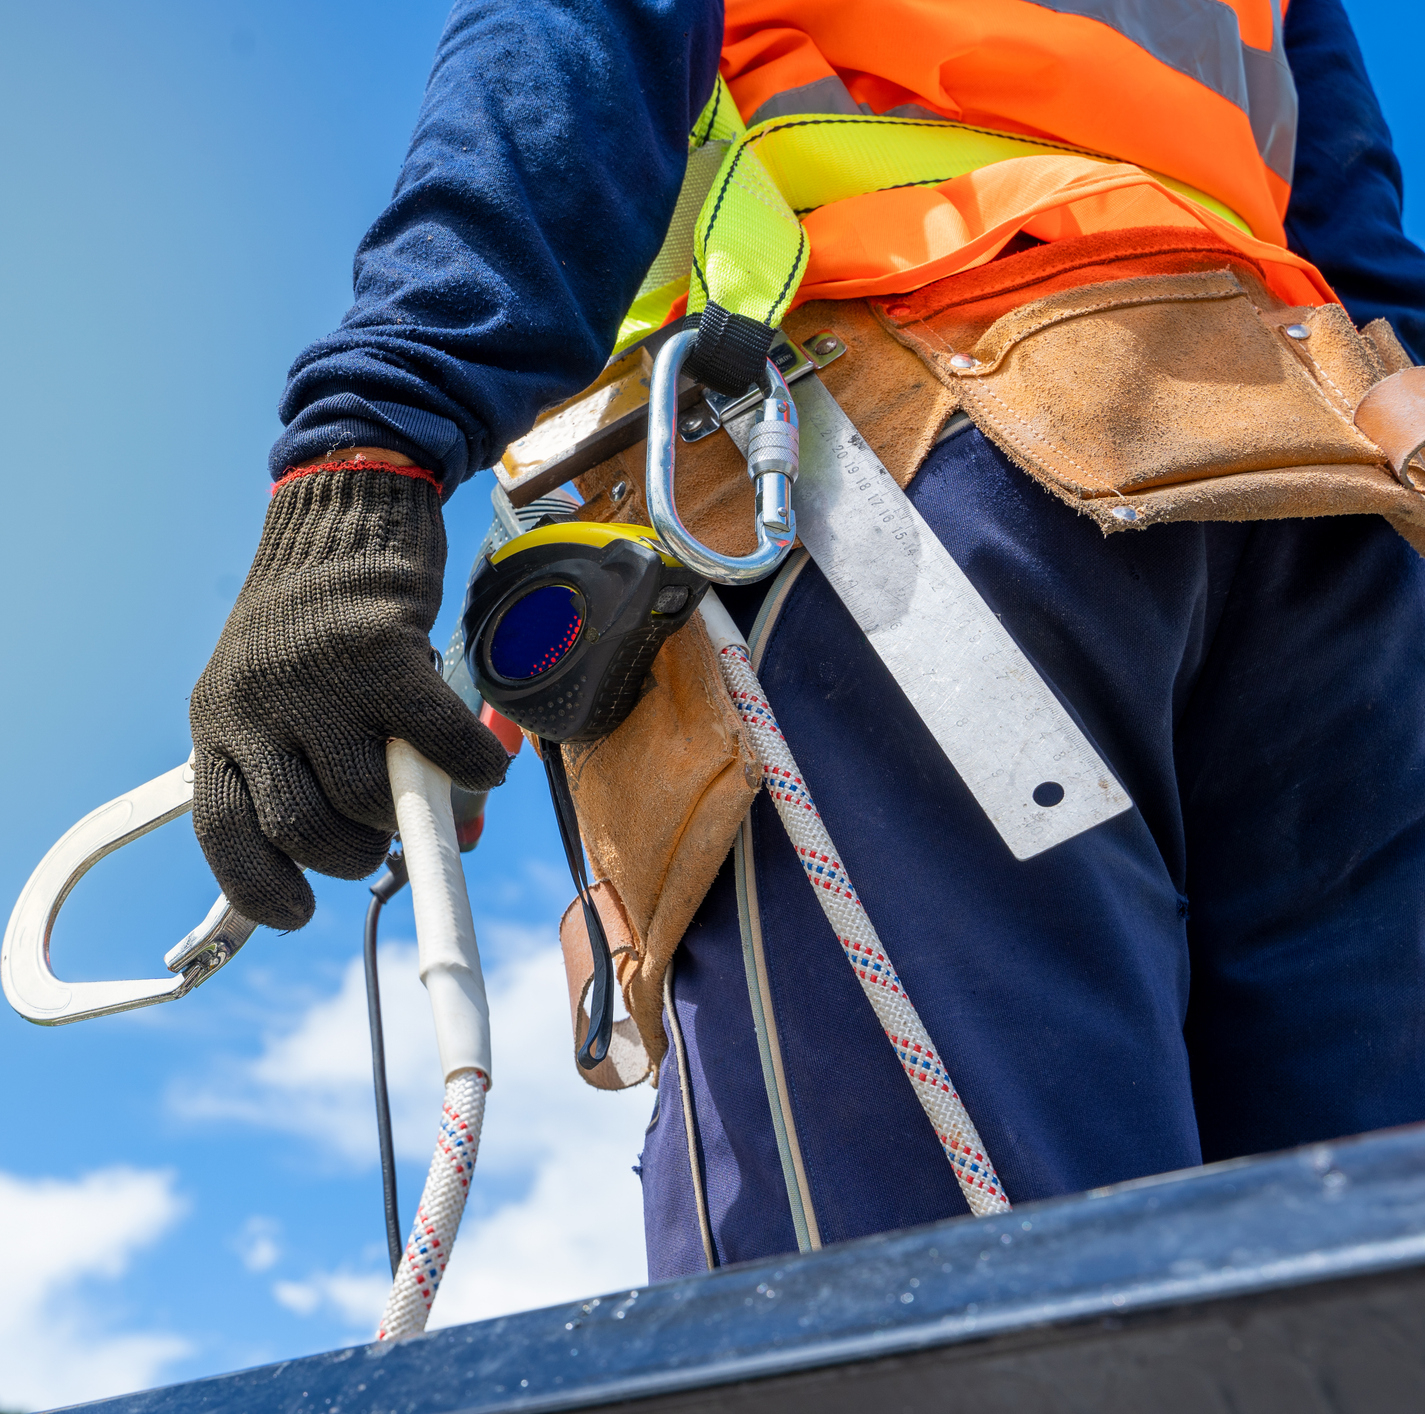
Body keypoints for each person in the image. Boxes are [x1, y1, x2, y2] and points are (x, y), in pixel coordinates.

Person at [187, 0, 1425, 1280]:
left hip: (905, 470)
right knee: (1351, 1294)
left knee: (942, 1313)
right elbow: (1363, 245)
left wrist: (366, 456)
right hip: (1320, 517)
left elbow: (573, 32)